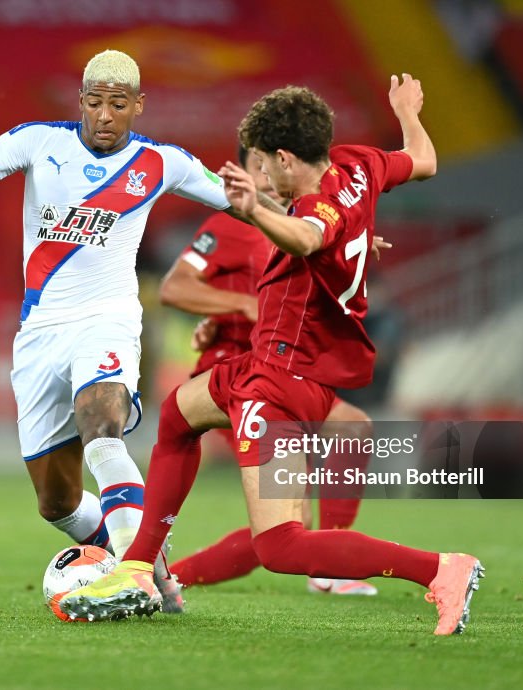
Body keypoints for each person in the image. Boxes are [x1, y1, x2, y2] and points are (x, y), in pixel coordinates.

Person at [61, 76, 486, 635]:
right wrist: (408, 112)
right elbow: (423, 160)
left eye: (261, 164)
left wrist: (254, 210)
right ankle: (140, 565)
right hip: (266, 366)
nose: (257, 175)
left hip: (283, 380)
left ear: (286, 159)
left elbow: (309, 238)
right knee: (177, 413)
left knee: (282, 545)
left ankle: (440, 569)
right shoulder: (359, 163)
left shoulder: (312, 210)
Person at [0, 50, 275, 612]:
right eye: (95, 102)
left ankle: (134, 571)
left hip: (108, 318)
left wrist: (319, 231)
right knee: (56, 503)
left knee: (103, 423)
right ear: (80, 102)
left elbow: (247, 203)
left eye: (118, 104)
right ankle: (149, 564)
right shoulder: (38, 142)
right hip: (40, 332)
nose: (105, 115)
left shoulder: (163, 161)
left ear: (137, 106)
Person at [159, 144, 381, 596]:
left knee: (352, 428)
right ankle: (166, 576)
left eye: (270, 164)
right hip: (240, 377)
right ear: (240, 173)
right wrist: (239, 306)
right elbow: (174, 287)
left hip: (289, 372)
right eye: (254, 166)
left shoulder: (306, 222)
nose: (264, 174)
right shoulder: (227, 225)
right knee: (290, 527)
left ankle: (331, 565)